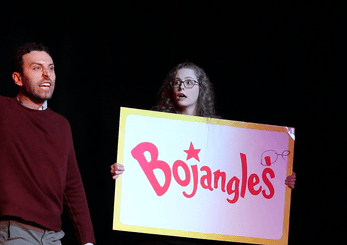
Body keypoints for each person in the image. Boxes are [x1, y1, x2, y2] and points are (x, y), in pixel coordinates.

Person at [0, 0, 95, 245]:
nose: (47, 75)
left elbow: (73, 188)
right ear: (17, 78)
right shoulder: (3, 112)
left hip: (53, 237)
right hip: (11, 232)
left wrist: (88, 241)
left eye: (51, 68)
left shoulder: (61, 125)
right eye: (37, 68)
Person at [110, 62, 296, 244]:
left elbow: (247, 176)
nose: (182, 87)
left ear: (201, 88)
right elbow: (139, 176)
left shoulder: (219, 130)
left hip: (202, 232)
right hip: (164, 232)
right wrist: (122, 170)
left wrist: (281, 180)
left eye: (189, 82)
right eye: (177, 83)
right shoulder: (155, 128)